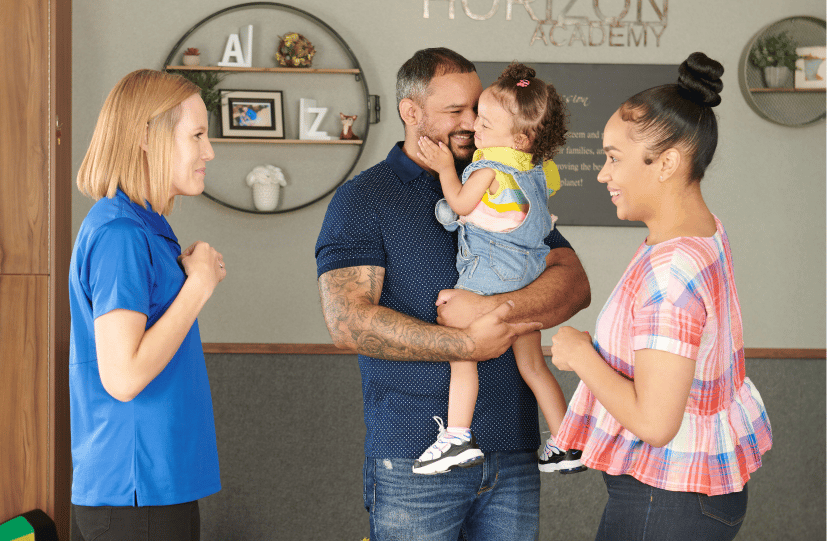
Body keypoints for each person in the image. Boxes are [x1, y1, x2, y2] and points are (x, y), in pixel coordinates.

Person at [315, 47, 591, 541]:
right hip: (413, 458)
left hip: (515, 453)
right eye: (455, 112)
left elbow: (572, 281)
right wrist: (465, 344)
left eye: (478, 109)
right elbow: (347, 321)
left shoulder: (502, 177)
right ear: (410, 112)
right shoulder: (365, 198)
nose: (471, 122)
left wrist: (495, 311)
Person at [550, 52, 772, 541]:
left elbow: (655, 422)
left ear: (667, 163)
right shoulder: (702, 234)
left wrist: (579, 355)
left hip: (667, 501)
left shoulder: (673, 269)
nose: (603, 174)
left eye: (614, 158)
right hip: (692, 495)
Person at [69, 69, 225, 541]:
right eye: (197, 135)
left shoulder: (144, 228)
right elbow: (124, 377)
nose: (209, 151)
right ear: (145, 137)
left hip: (154, 487)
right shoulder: (121, 235)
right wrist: (197, 287)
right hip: (136, 493)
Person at [413, 62, 583, 475]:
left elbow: (458, 204)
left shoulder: (488, 168)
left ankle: (456, 435)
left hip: (492, 274)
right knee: (533, 366)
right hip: (529, 275)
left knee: (459, 342)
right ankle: (565, 443)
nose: (475, 128)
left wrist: (444, 169)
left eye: (485, 123)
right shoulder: (538, 169)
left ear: (522, 136)